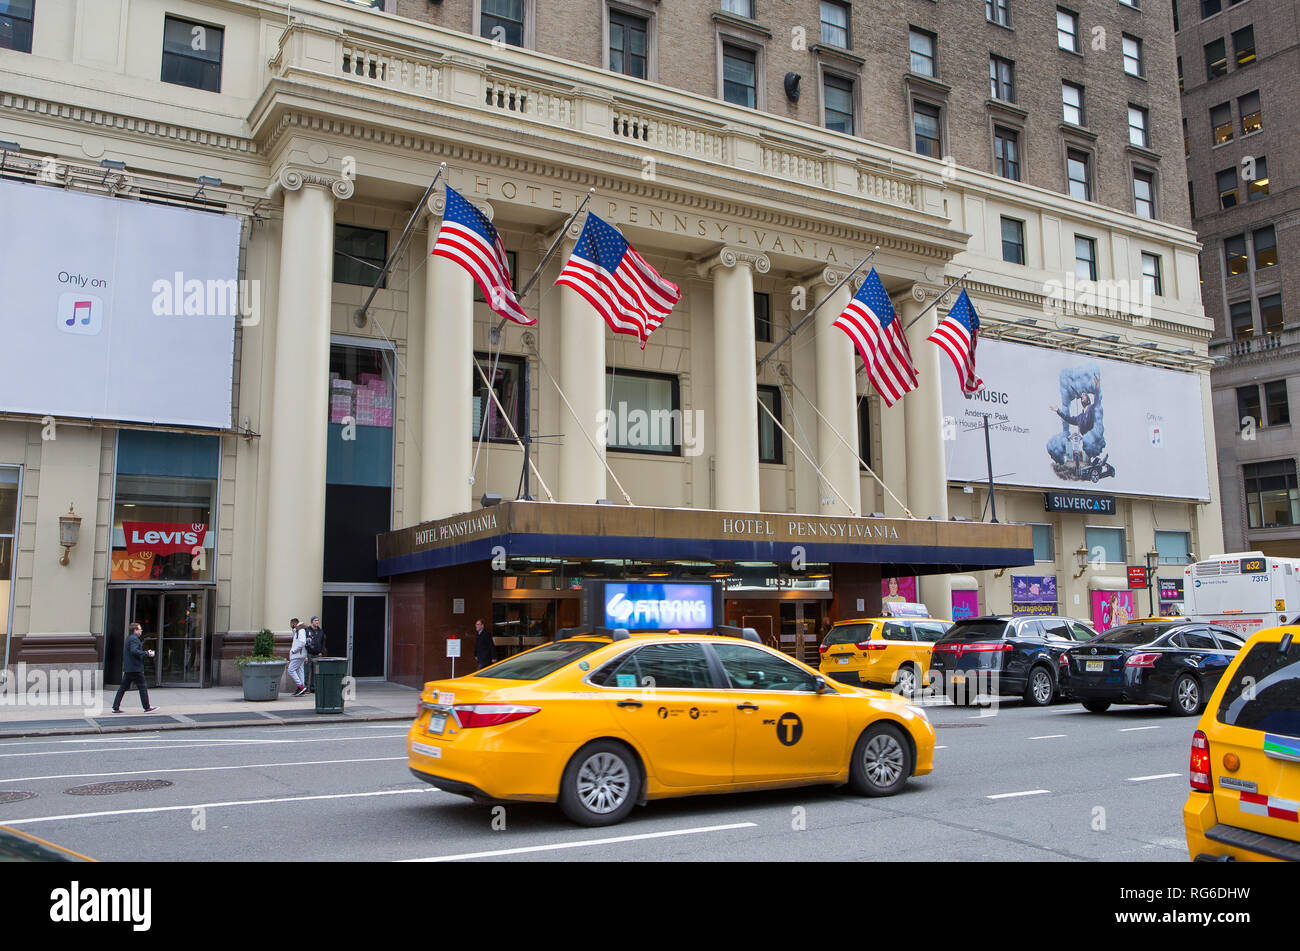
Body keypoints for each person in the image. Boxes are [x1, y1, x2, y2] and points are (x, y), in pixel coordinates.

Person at [112, 622, 159, 713]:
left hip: (129, 668)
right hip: (135, 668)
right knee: (142, 687)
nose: (141, 630)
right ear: (135, 630)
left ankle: (115, 707)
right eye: (139, 629)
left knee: (123, 688)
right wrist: (146, 653)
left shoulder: (129, 638)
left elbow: (133, 651)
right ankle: (147, 707)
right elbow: (134, 651)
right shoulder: (134, 639)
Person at [288, 618, 308, 697]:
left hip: (298, 654)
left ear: (294, 623)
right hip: (300, 654)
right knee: (300, 671)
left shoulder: (301, 630)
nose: (290, 625)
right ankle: (301, 689)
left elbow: (302, 642)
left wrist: (294, 651)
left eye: (291, 624)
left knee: (290, 670)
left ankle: (301, 686)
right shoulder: (298, 630)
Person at [305, 616, 325, 692]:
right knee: (307, 670)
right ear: (312, 622)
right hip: (309, 653)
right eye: (315, 620)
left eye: (317, 620)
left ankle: (313, 687)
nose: (317, 622)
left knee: (315, 671)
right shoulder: (307, 630)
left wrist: (321, 651)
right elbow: (305, 643)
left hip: (317, 654)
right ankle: (306, 687)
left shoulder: (320, 631)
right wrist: (305, 653)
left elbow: (323, 642)